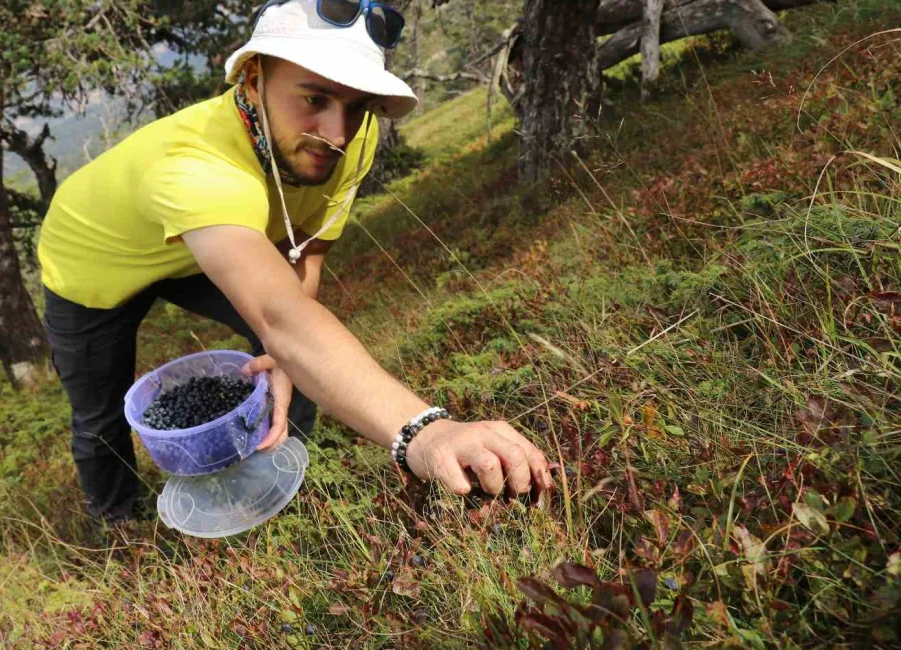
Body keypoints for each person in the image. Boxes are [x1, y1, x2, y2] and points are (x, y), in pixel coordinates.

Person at [37, 0, 554, 523]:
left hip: (210, 245)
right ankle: (118, 524)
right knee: (101, 413)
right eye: (314, 98)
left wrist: (286, 355)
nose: (337, 133)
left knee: (289, 358)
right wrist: (427, 432)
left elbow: (308, 251)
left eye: (357, 106)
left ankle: (283, 475)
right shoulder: (196, 168)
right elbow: (282, 317)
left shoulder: (355, 136)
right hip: (95, 266)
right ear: (254, 78)